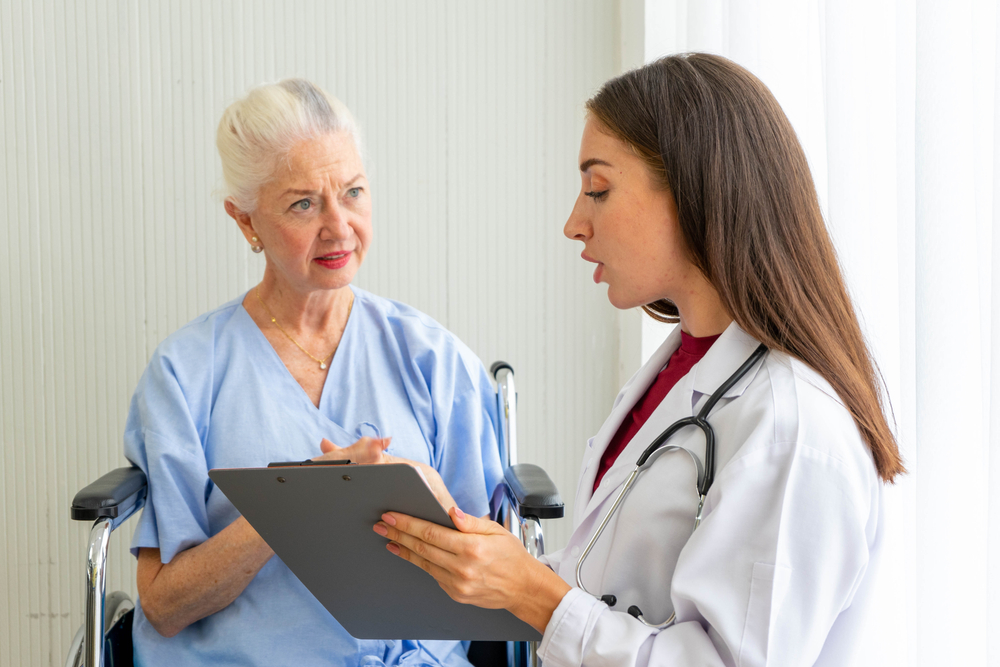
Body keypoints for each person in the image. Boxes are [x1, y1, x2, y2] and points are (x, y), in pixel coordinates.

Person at [373, 53, 905, 666]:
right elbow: (613, 586)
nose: (574, 223)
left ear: (695, 189)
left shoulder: (791, 424)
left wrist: (535, 592)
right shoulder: (681, 369)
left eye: (598, 188)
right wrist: (480, 559)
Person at [123, 78, 503, 667]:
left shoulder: (433, 358)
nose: (339, 226)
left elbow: (498, 581)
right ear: (245, 220)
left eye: (352, 192)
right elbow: (166, 608)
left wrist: (428, 501)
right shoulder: (186, 373)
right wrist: (299, 505)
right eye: (303, 203)